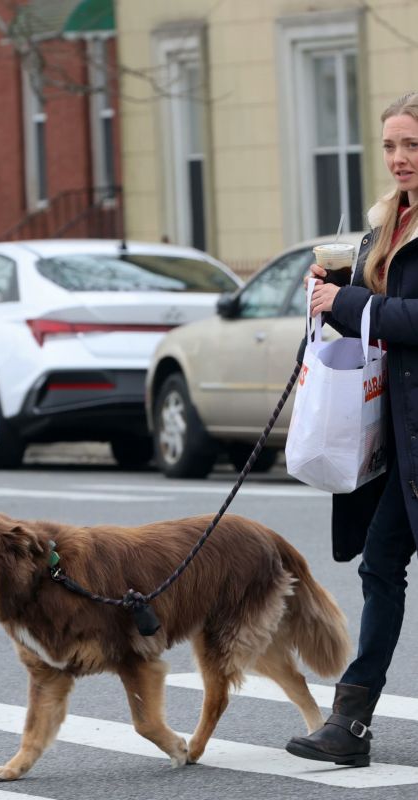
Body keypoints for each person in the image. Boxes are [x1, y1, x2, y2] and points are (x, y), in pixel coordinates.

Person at [286, 91, 418, 768]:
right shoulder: (386, 224)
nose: (398, 159)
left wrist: (350, 301)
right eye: (390, 145)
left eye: (412, 146)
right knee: (379, 565)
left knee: (381, 565)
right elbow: (375, 313)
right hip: (399, 438)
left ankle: (349, 722)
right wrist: (330, 292)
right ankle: (349, 724)